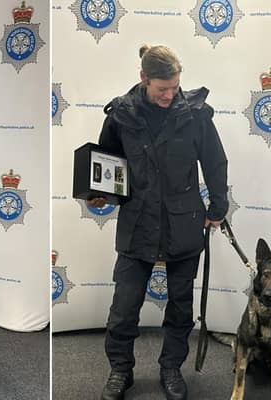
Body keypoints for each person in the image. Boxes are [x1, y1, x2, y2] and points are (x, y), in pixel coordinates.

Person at [90, 45, 228, 400]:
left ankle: (171, 369)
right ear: (143, 78)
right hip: (138, 222)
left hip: (184, 222)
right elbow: (107, 162)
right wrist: (98, 192)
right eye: (162, 89)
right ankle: (121, 371)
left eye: (175, 87)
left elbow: (215, 161)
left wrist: (218, 206)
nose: (170, 95)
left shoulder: (195, 114)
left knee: (180, 309)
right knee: (123, 309)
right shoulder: (120, 115)